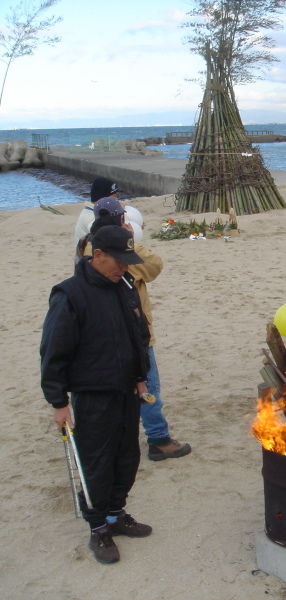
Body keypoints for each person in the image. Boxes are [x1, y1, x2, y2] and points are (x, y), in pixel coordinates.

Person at [41, 225, 152, 564]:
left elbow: (138, 335)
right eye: (118, 261)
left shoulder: (125, 287)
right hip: (93, 394)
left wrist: (140, 377)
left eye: (127, 261)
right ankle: (98, 527)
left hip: (126, 390)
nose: (124, 267)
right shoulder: (70, 295)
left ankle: (117, 514)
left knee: (127, 457)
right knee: (96, 462)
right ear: (97, 255)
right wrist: (58, 402)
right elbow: (52, 351)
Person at [82, 198, 191, 461]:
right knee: (147, 386)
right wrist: (132, 242)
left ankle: (117, 439)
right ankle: (159, 438)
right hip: (133, 331)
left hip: (103, 334)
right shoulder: (119, 250)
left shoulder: (88, 247)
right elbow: (154, 267)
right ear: (122, 220)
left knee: (119, 388)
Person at [75, 177, 118, 249]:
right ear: (103, 199)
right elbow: (103, 235)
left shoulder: (98, 212)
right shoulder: (90, 216)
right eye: (114, 198)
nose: (116, 201)